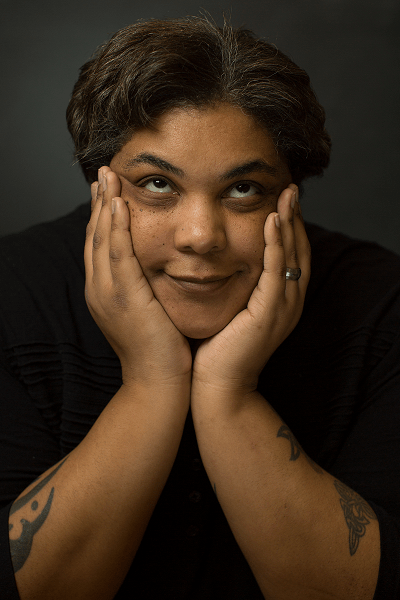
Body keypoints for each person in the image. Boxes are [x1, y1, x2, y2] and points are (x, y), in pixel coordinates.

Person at [1, 15, 399, 600]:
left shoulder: (382, 307)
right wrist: (151, 381)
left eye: (243, 190)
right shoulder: (13, 292)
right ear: (101, 187)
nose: (200, 236)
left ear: (291, 194)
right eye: (157, 184)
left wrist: (227, 391)